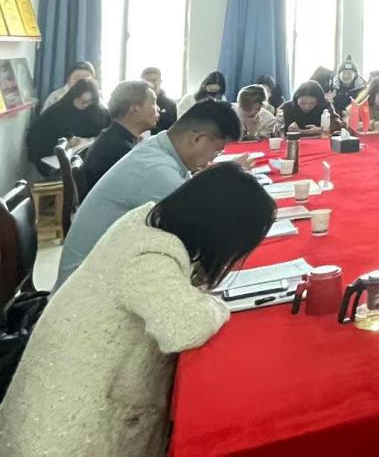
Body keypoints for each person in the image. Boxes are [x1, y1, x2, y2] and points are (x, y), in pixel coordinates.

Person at [1, 164, 274, 455]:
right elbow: (184, 329)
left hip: (65, 404)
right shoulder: (148, 256)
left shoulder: (145, 221)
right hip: (68, 434)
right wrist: (216, 305)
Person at [55, 99, 244, 290]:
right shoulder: (155, 170)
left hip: (102, 274)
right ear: (198, 139)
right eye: (217, 151)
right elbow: (205, 231)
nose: (213, 158)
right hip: (86, 292)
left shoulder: (160, 148)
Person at [82, 80, 159, 191]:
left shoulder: (116, 137)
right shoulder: (117, 149)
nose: (158, 108)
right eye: (154, 103)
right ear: (135, 109)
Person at [25, 78, 110, 174]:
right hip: (53, 159)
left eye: (88, 101)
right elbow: (36, 141)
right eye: (80, 100)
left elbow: (105, 129)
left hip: (84, 155)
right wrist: (67, 143)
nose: (83, 104)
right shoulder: (56, 112)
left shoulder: (96, 111)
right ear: (73, 95)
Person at [141, 66, 179, 132]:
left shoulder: (170, 105)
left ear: (160, 81)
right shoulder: (135, 103)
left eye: (154, 80)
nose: (151, 84)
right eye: (147, 81)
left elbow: (173, 130)